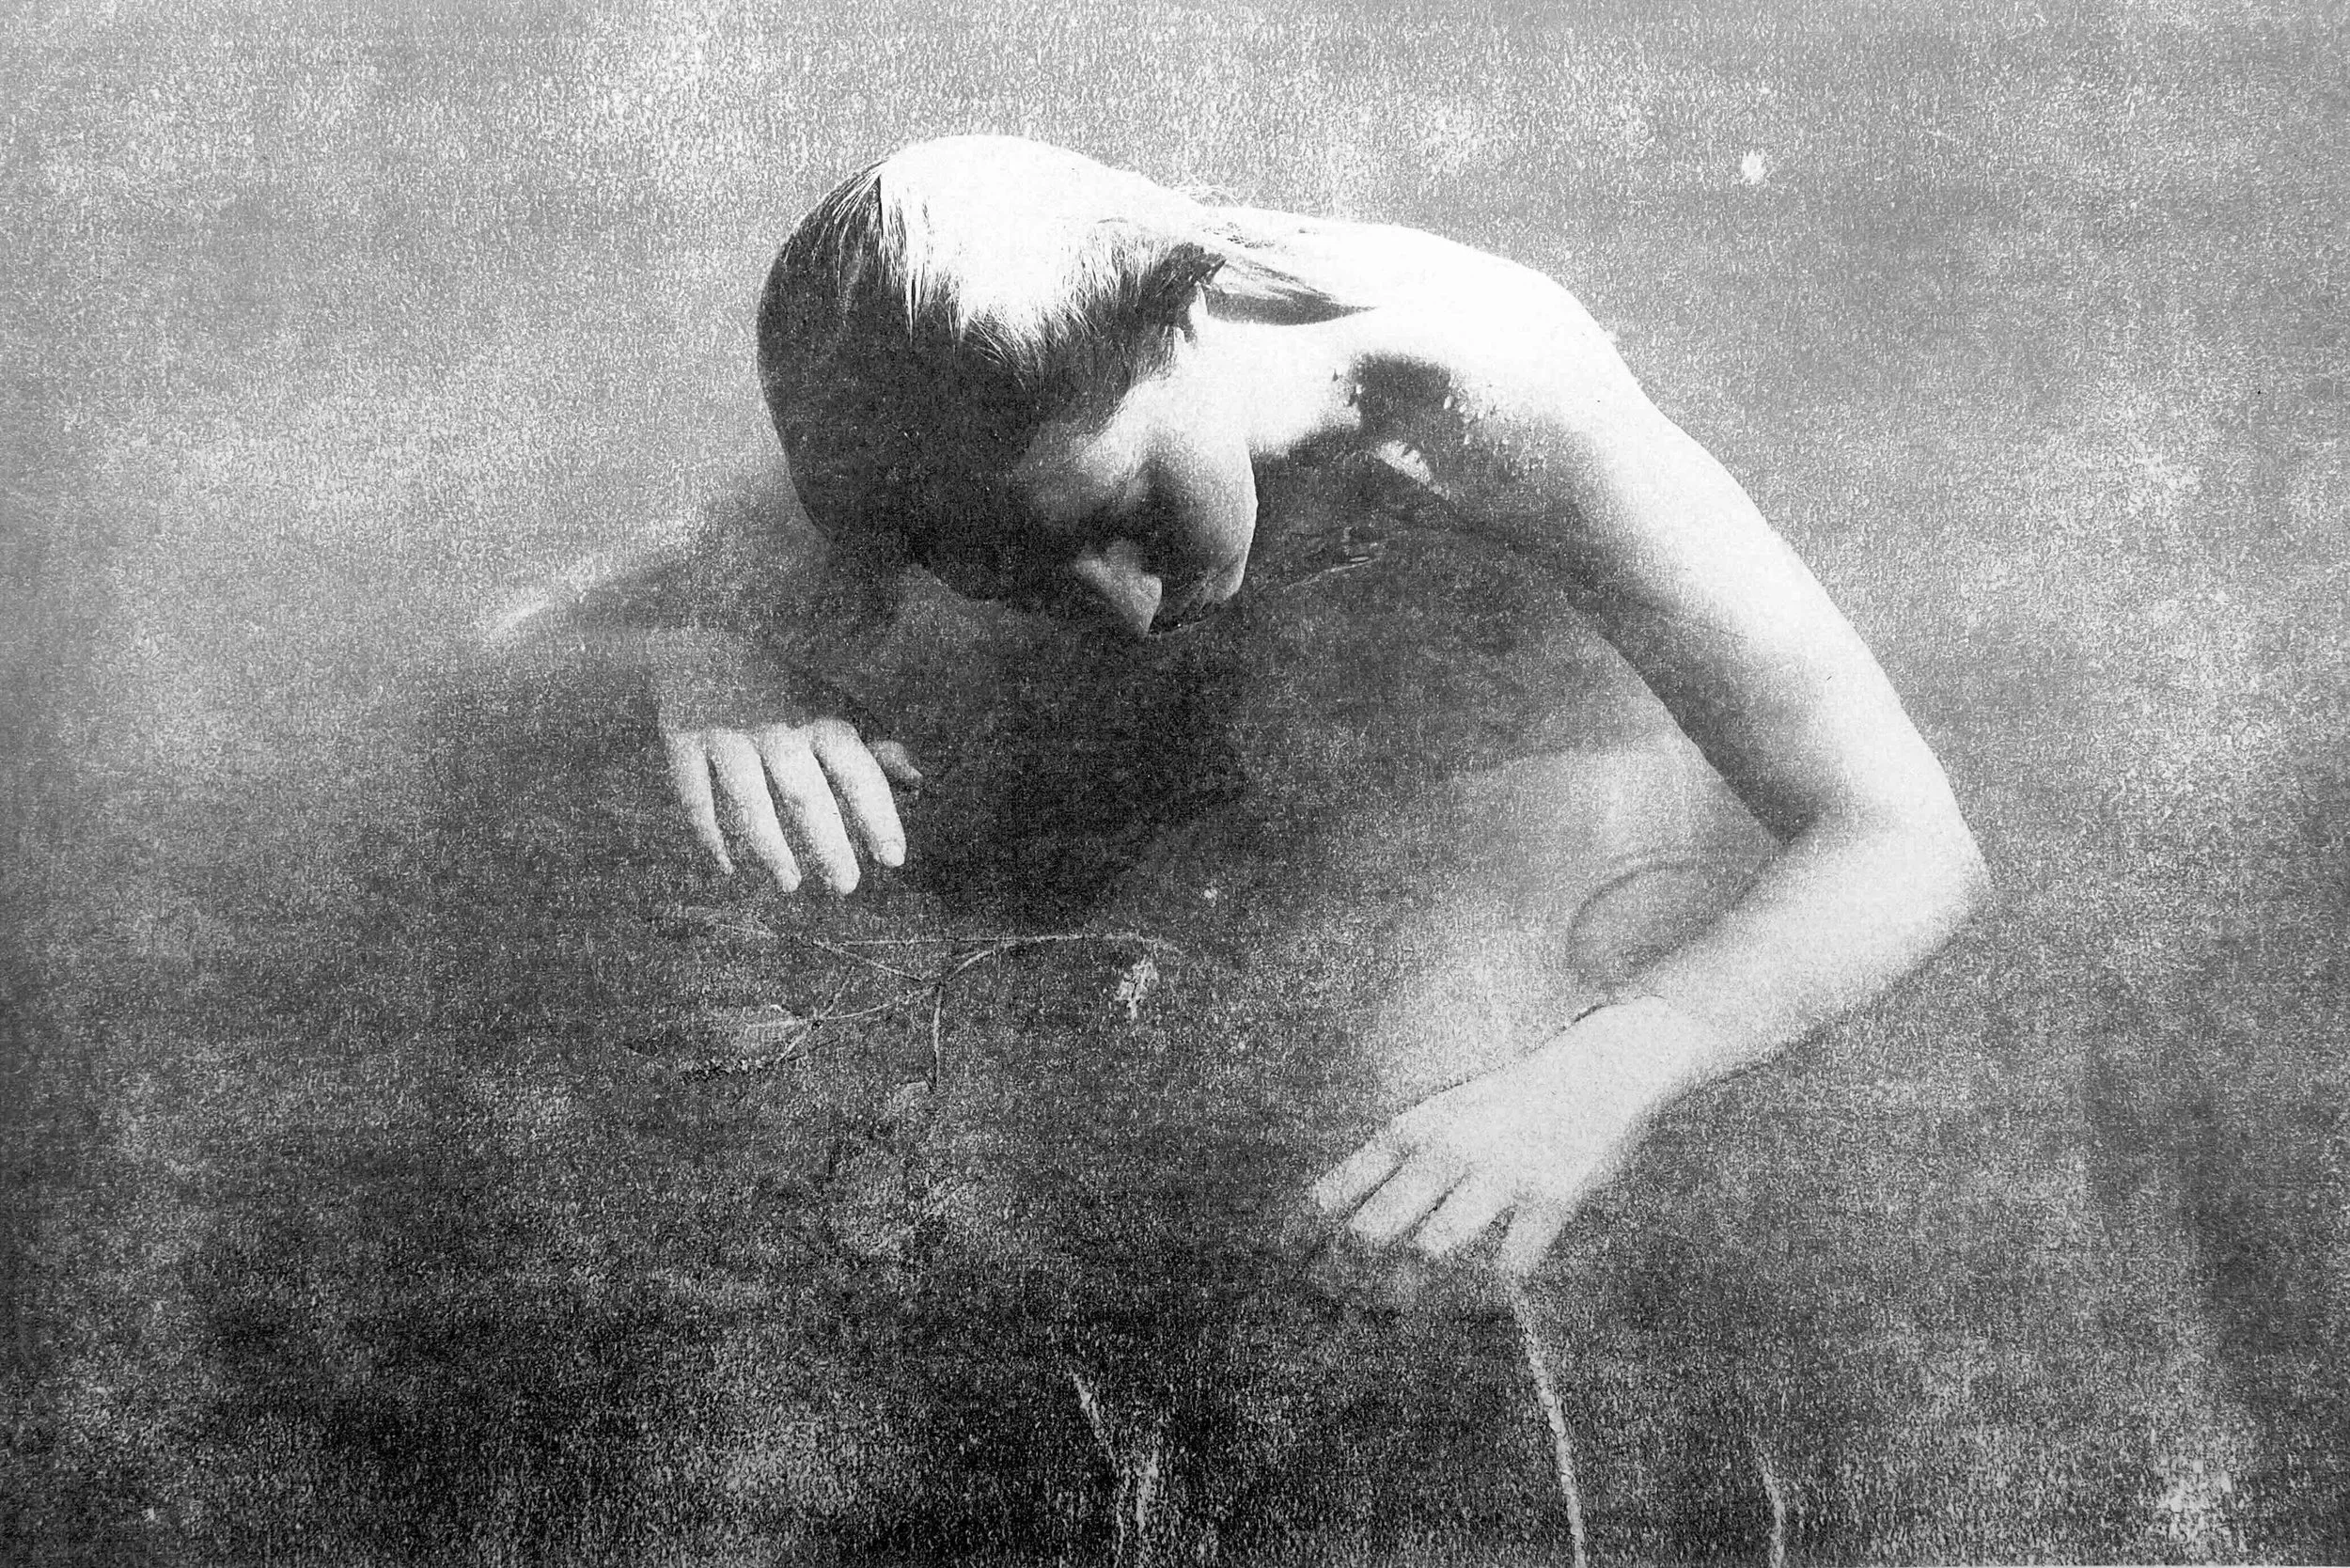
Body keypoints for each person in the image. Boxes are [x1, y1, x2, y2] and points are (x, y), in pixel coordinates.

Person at [484, 133, 1987, 1548]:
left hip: (1505, 730)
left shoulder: (1490, 383)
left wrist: (1596, 1080)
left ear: (1188, 324)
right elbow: (634, 587)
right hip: (1210, 742)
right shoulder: (915, 406)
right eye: (998, 563)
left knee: (1404, 1192)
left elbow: (1904, 840)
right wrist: (725, 659)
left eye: (1128, 509)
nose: (1115, 605)